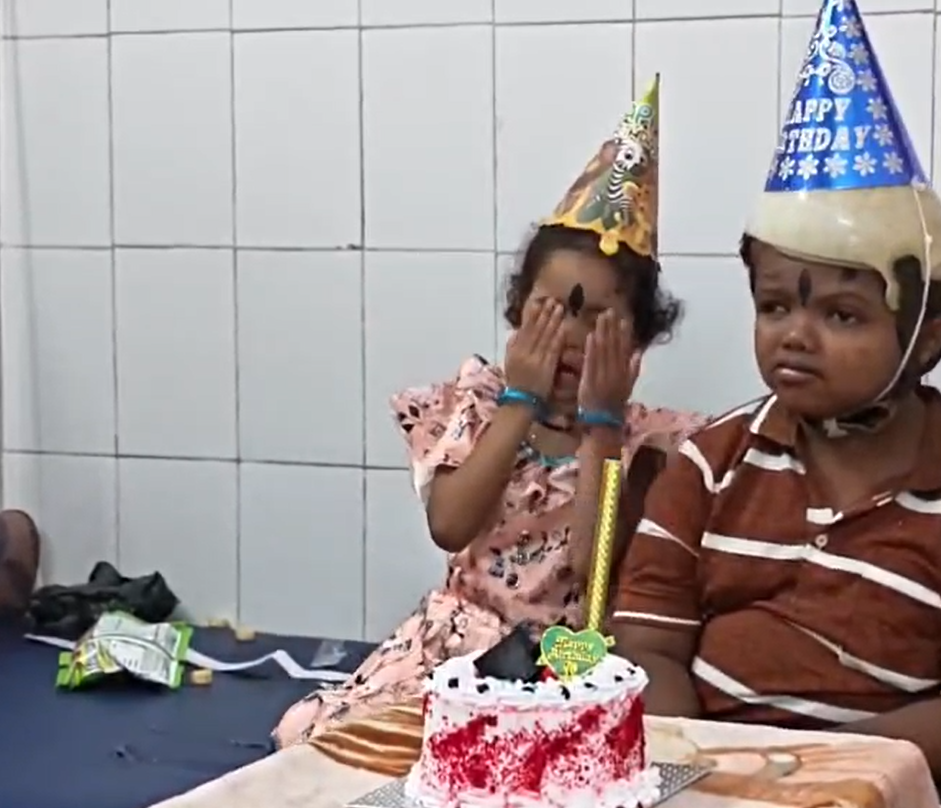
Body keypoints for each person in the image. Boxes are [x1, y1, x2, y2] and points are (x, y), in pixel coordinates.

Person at [609, 0, 941, 790]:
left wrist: (823, 778)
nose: (794, 335)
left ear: (929, 332)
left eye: (840, 313)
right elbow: (649, 643)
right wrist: (701, 766)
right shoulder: (708, 466)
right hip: (703, 777)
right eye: (775, 304)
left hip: (876, 786)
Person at [273, 75, 705, 748]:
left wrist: (601, 425)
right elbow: (450, 525)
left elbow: (596, 573)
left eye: (598, 322)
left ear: (638, 344)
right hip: (451, 649)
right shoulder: (479, 401)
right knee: (316, 739)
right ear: (515, 311)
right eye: (550, 311)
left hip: (564, 663)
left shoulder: (650, 445)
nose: (568, 336)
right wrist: (518, 402)